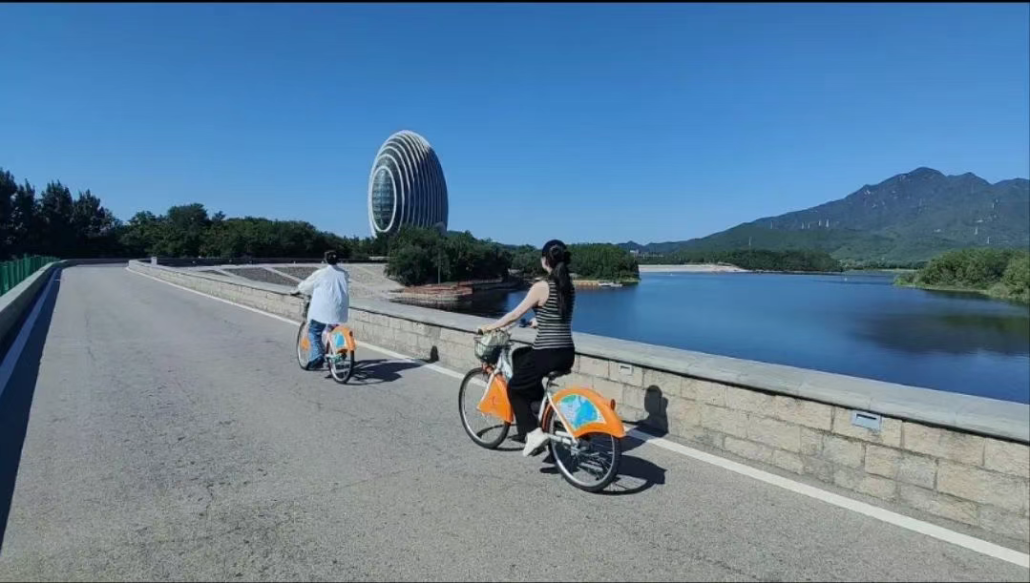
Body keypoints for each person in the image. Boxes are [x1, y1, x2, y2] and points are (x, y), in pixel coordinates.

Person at [477, 239, 575, 457]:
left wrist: (489, 327)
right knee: (521, 356)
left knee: (514, 388)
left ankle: (533, 432)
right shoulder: (568, 287)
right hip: (567, 352)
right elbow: (559, 316)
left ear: (545, 260)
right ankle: (537, 408)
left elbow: (514, 313)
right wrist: (537, 321)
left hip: (547, 352)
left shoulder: (541, 287)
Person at [294, 250, 351, 370]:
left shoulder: (320, 273)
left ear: (325, 260)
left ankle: (317, 356)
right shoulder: (344, 274)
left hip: (323, 310)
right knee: (335, 327)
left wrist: (298, 289)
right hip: (340, 308)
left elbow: (307, 286)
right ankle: (340, 351)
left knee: (313, 332)